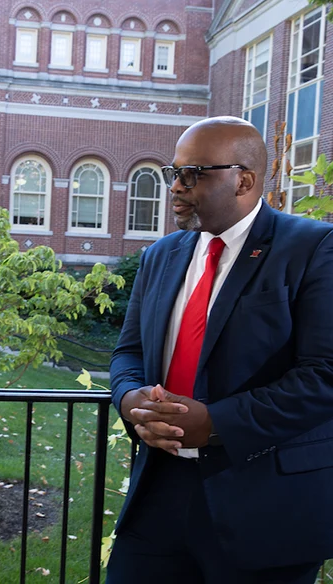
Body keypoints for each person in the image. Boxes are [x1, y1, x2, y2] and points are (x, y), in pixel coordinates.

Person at [108, 116, 333, 584]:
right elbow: (128, 353)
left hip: (265, 505)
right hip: (158, 496)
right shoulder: (159, 256)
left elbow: (325, 374)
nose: (177, 187)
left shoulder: (313, 248)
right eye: (174, 173)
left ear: (244, 180)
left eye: (194, 174)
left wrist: (215, 423)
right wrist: (131, 401)